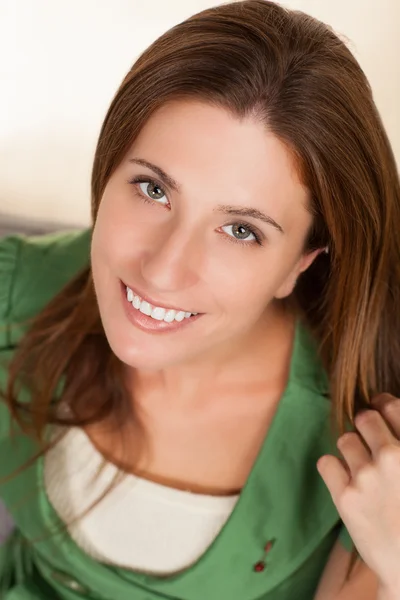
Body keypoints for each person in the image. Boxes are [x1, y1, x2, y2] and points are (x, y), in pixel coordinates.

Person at [1, 0, 400, 598]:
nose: (163, 270)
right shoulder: (18, 289)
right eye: (153, 188)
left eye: (242, 230)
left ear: (300, 263)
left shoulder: (370, 436)